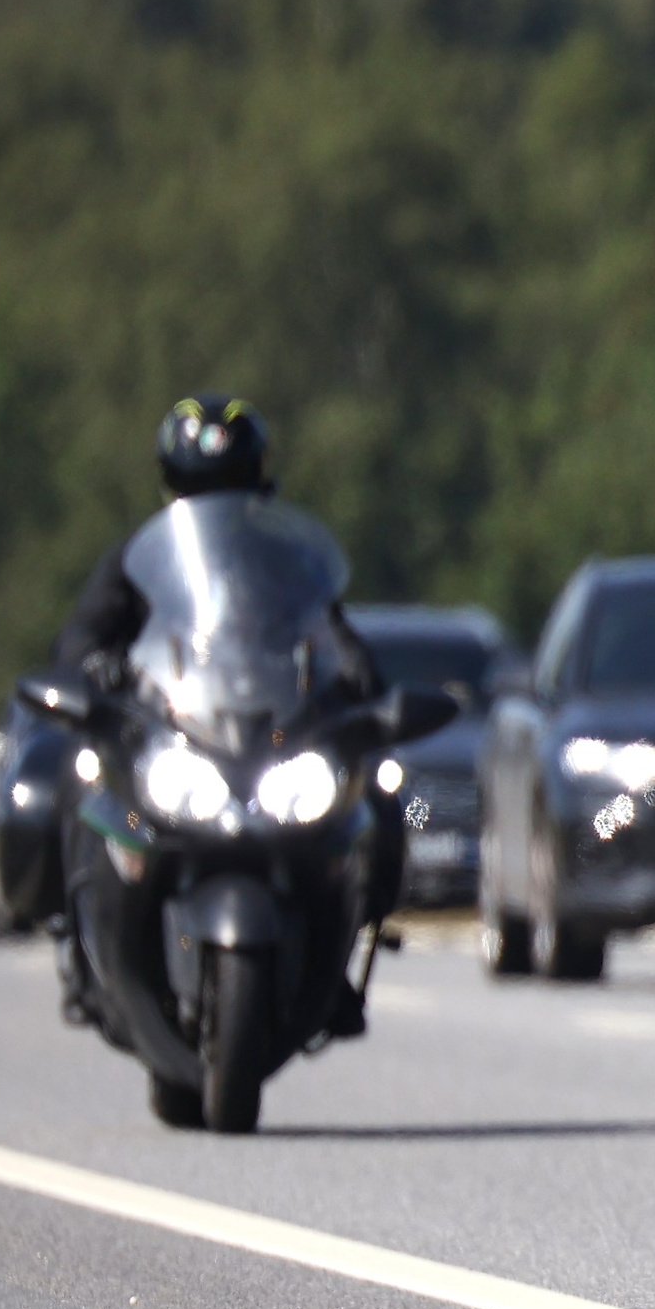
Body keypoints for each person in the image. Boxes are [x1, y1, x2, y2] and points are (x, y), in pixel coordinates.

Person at [50, 397, 394, 1033]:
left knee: (379, 791)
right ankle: (75, 941)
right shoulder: (138, 563)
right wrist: (93, 670)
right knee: (75, 773)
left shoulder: (289, 561)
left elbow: (333, 627)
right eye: (197, 486)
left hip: (273, 738)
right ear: (169, 487)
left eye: (228, 486)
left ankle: (349, 954)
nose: (214, 503)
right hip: (173, 737)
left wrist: (356, 674)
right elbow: (81, 640)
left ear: (259, 484)